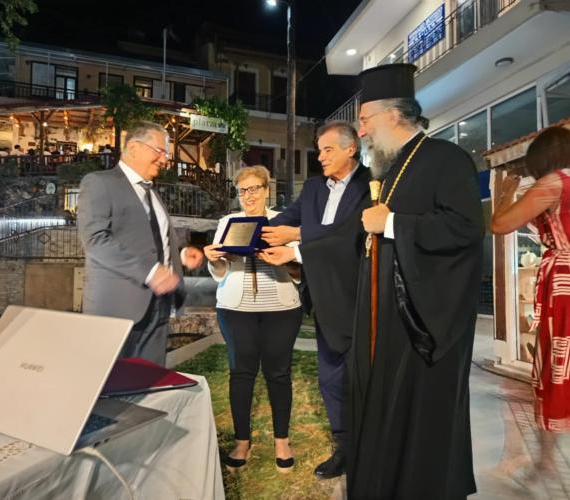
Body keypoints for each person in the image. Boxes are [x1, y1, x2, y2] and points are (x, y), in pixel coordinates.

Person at [346, 63, 483, 498]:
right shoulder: (390, 170)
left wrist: (392, 224)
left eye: (364, 120)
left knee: (420, 420)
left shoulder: (446, 159)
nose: (361, 132)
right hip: (386, 319)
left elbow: (465, 228)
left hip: (422, 322)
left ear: (391, 114)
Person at [259, 121, 370, 479]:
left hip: (361, 297)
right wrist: (241, 235)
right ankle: (345, 449)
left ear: (351, 148)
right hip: (322, 297)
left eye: (328, 150)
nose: (319, 157)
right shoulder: (312, 188)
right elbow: (282, 221)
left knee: (364, 380)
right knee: (331, 379)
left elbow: (351, 232)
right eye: (319, 150)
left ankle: (372, 447)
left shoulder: (372, 185)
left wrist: (298, 236)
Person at [77, 121, 204, 366]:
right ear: (134, 147)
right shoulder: (99, 183)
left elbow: (150, 241)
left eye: (166, 154)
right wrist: (149, 272)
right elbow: (95, 240)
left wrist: (180, 254)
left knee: (150, 380)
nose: (165, 160)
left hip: (159, 307)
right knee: (112, 383)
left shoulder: (152, 192)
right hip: (117, 309)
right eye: (160, 151)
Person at [203, 165, 302, 474]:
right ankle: (242, 441)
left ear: (266, 190)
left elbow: (298, 270)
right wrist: (215, 259)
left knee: (279, 373)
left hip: (280, 308)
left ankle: (282, 441)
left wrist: (281, 256)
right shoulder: (228, 223)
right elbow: (220, 272)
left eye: (254, 189)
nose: (248, 196)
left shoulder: (284, 222)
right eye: (242, 190)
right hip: (236, 308)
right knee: (241, 373)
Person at [491, 126, 570, 432]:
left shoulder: (554, 182)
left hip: (564, 278)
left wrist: (507, 190)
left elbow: (500, 224)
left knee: (562, 347)